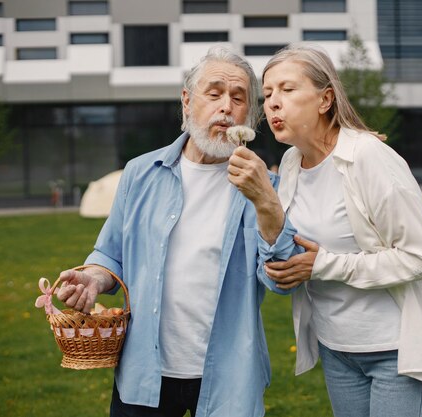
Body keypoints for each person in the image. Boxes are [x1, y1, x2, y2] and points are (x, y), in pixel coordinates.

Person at [55, 46, 292, 417]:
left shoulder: (266, 185)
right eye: (213, 94)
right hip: (144, 373)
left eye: (238, 97)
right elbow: (110, 253)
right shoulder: (140, 172)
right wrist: (94, 279)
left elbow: (281, 279)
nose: (226, 107)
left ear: (251, 113)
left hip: (229, 377)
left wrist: (265, 200)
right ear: (186, 101)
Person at [256, 44, 422, 417]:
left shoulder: (368, 157)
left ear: (325, 99)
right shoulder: (291, 162)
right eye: (267, 94)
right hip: (337, 348)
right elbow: (295, 248)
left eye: (287, 89)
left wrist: (324, 265)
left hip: (395, 352)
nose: (273, 104)